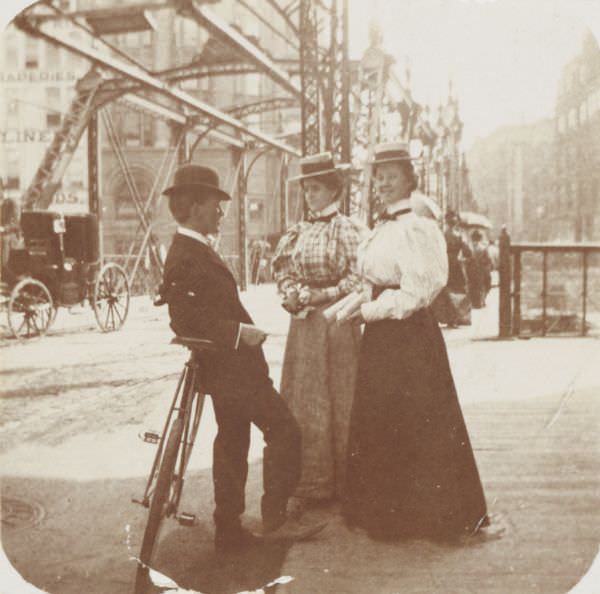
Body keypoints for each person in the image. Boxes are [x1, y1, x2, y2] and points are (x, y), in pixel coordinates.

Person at [158, 164, 325, 554]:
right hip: (232, 368)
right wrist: (239, 334)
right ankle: (275, 518)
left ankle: (229, 529)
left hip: (225, 367)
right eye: (216, 204)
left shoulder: (193, 248)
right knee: (284, 430)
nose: (221, 211)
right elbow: (184, 318)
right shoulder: (187, 253)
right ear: (194, 206)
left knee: (232, 441)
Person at [342, 142, 491, 544]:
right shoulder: (384, 226)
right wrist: (361, 304)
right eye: (379, 175)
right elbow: (375, 282)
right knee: (385, 421)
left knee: (418, 422)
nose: (383, 182)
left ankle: (433, 518)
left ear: (410, 177)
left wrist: (370, 311)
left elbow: (417, 292)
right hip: (382, 338)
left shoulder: (416, 227)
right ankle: (392, 518)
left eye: (392, 174)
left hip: (408, 338)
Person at [272, 152, 364, 514]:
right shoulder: (299, 231)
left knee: (341, 396)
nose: (309, 196)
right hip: (305, 325)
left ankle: (344, 481)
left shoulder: (347, 229)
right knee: (307, 400)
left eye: (316, 189)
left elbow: (357, 278)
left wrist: (322, 295)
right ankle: (310, 481)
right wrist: (291, 292)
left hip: (338, 321)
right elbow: (282, 269)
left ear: (332, 191)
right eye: (306, 189)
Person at [468, 229, 492, 308]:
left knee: (472, 286)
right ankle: (481, 302)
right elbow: (488, 260)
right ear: (480, 238)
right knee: (481, 286)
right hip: (480, 270)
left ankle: (473, 302)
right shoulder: (483, 248)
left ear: (472, 238)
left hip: (471, 270)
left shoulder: (469, 247)